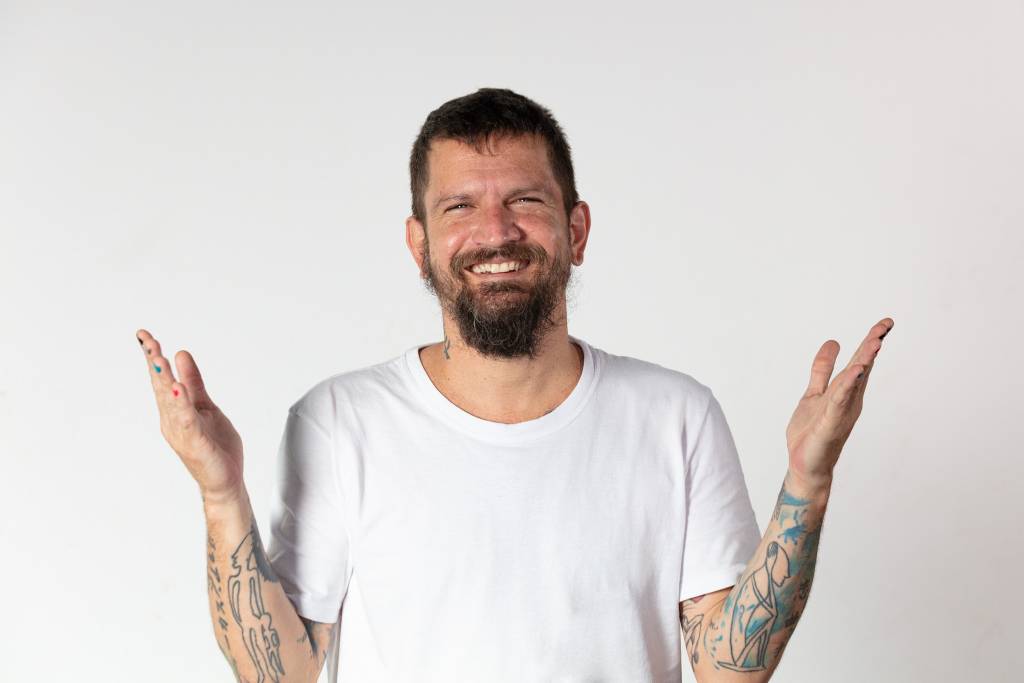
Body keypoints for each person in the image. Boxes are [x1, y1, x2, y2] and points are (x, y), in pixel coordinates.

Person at [137, 87, 893, 683]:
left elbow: (731, 668)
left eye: (524, 201)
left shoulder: (676, 415)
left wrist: (808, 480)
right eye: (459, 206)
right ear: (420, 244)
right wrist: (219, 493)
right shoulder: (340, 420)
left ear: (578, 229)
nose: (495, 231)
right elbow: (282, 674)